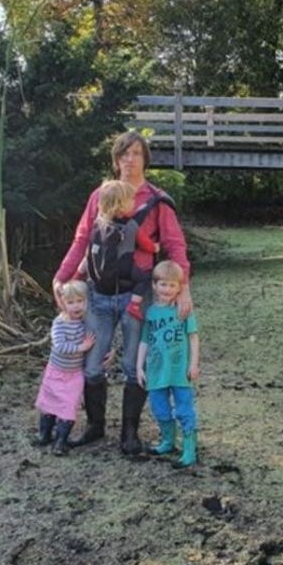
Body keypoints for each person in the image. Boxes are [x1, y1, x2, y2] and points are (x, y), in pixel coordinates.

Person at [52, 131, 193, 455]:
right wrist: (62, 278)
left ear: (145, 159)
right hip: (98, 296)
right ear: (116, 160)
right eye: (123, 154)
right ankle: (95, 427)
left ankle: (129, 432)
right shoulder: (99, 196)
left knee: (133, 365)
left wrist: (183, 288)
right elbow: (82, 240)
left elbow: (174, 246)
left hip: (137, 295)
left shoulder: (157, 200)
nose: (129, 160)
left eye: (136, 154)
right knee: (91, 365)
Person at [135, 260, 201, 467]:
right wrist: (139, 366)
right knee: (160, 407)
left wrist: (194, 364)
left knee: (184, 408)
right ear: (154, 285)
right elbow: (144, 339)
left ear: (179, 288)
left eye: (172, 285)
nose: (167, 289)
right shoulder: (151, 312)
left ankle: (190, 450)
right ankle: (168, 441)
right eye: (163, 284)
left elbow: (193, 337)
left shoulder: (183, 310)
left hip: (179, 369)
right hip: (156, 370)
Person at [78, 179, 160, 322]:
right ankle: (134, 305)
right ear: (121, 205)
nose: (134, 203)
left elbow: (88, 251)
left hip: (99, 278)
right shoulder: (130, 225)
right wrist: (156, 247)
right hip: (123, 270)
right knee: (145, 277)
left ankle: (78, 277)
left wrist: (78, 274)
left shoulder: (98, 223)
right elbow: (145, 244)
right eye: (131, 200)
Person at [33, 280, 95, 455]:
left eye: (80, 301)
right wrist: (81, 348)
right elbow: (60, 346)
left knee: (68, 407)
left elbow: (94, 341)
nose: (76, 306)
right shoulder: (60, 323)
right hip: (55, 372)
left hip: (74, 374)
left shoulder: (86, 323)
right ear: (63, 303)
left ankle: (61, 441)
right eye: (71, 302)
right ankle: (44, 435)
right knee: (48, 404)